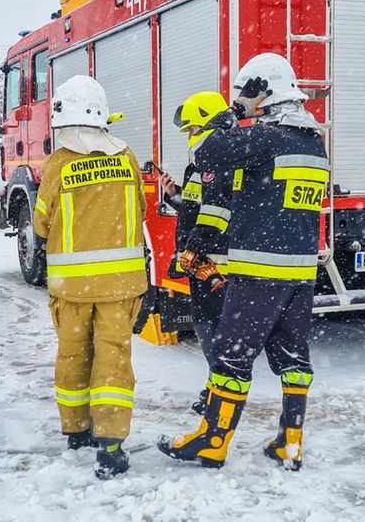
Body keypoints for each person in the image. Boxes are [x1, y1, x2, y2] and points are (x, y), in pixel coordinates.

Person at [157, 53, 328, 471]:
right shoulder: (312, 140)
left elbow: (209, 154)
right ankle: (291, 441)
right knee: (294, 358)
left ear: (260, 92)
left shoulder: (268, 137)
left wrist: (227, 117)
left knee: (231, 356)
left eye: (242, 92)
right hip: (301, 272)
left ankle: (212, 440)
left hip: (258, 270)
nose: (238, 98)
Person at [33, 75, 147, 479]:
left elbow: (41, 223)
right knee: (114, 359)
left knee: (72, 355)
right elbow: (142, 211)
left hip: (72, 287)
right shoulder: (126, 156)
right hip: (121, 284)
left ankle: (77, 429)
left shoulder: (59, 163)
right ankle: (111, 445)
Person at [160, 91, 233, 415]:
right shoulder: (199, 168)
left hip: (214, 265)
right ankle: (215, 388)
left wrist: (189, 252)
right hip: (201, 263)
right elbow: (194, 211)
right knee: (208, 329)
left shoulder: (217, 166)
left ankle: (220, 394)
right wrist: (174, 195)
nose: (189, 136)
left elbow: (216, 216)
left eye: (191, 129)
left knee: (212, 330)